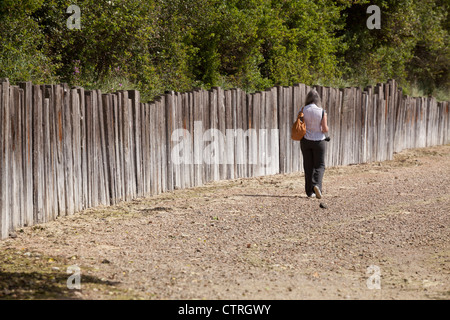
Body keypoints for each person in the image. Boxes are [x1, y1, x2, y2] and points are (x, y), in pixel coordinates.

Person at [299, 89, 329, 199]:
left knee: (308, 165)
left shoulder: (302, 110)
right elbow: (325, 129)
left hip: (305, 140)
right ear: (318, 99)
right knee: (320, 165)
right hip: (319, 141)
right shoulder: (321, 111)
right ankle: (317, 185)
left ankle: (309, 192)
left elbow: (299, 125)